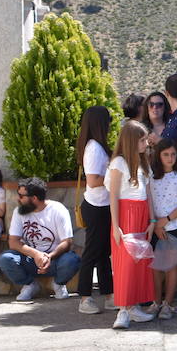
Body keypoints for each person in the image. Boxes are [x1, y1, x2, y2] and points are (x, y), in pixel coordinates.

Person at [106, 120, 157, 329]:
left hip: (142, 215)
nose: (146, 143)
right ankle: (123, 311)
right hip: (125, 215)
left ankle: (134, 307)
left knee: (140, 262)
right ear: (130, 141)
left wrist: (152, 220)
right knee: (125, 263)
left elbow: (149, 193)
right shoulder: (119, 163)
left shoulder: (144, 163)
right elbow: (113, 196)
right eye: (142, 140)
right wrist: (116, 225)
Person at [0, 177, 80, 303]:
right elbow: (13, 242)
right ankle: (30, 285)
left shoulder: (58, 210)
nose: (18, 199)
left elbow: (67, 242)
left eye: (21, 196)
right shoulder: (19, 212)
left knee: (72, 260)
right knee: (5, 259)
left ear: (34, 198)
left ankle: (58, 284)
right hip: (30, 259)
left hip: (54, 260)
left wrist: (48, 257)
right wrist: (36, 255)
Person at [75, 105, 115, 314]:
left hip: (103, 206)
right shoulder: (94, 148)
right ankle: (84, 298)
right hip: (96, 206)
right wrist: (114, 177)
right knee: (92, 253)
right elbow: (92, 181)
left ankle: (109, 295)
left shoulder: (96, 146)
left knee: (103, 254)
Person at [147, 138, 177, 320]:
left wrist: (165, 221)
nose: (170, 158)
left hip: (176, 226)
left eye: (173, 154)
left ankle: (168, 304)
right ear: (158, 156)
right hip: (156, 226)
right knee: (156, 267)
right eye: (165, 154)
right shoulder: (151, 177)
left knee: (171, 266)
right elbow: (149, 201)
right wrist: (155, 223)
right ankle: (156, 302)